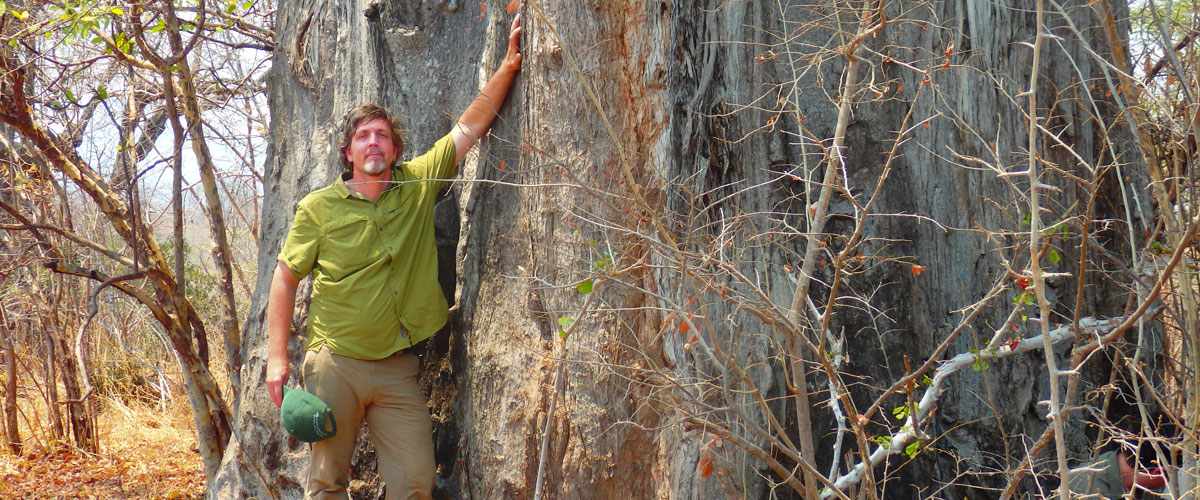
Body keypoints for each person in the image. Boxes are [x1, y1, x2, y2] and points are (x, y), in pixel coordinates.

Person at [265, 14, 523, 500]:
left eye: (382, 135)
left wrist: (509, 67)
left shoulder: (417, 184)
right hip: (333, 364)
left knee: (415, 483)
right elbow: (284, 278)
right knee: (326, 483)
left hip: (397, 367)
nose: (373, 143)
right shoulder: (317, 209)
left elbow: (469, 128)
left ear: (396, 147)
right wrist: (277, 358)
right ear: (348, 153)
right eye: (363, 137)